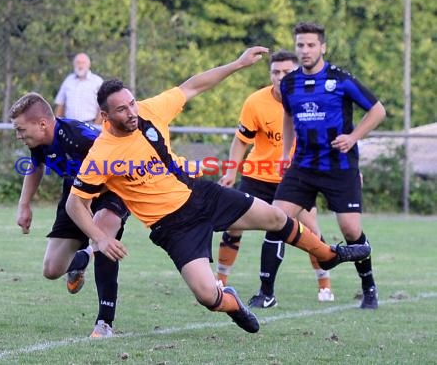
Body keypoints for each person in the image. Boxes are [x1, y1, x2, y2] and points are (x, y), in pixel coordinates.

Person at [65, 45, 371, 334]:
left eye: (131, 103)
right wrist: (100, 238)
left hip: (202, 196)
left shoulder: (149, 111)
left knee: (276, 218)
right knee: (207, 296)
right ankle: (232, 302)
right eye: (121, 109)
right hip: (173, 228)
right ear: (105, 116)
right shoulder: (102, 154)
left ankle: (327, 255)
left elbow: (193, 85)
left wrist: (237, 64)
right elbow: (74, 204)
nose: (131, 112)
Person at [275, 22, 387, 309]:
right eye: (300, 45)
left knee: (351, 231)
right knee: (276, 218)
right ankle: (267, 291)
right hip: (303, 165)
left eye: (311, 45)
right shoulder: (288, 83)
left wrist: (353, 137)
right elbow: (288, 117)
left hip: (340, 166)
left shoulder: (340, 79)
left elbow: (378, 110)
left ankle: (369, 287)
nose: (305, 50)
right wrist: (286, 153)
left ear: (322, 47)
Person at [216, 50, 335, 307]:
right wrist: (230, 171)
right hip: (257, 177)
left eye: (287, 72)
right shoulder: (255, 102)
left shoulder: (313, 102)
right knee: (233, 224)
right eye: (276, 72)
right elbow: (241, 141)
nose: (281, 77)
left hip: (294, 181)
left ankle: (324, 285)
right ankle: (220, 283)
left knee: (311, 231)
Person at [10, 92, 130, 337]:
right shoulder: (40, 143)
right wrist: (24, 204)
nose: (18, 135)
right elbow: (35, 166)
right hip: (75, 192)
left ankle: (104, 323)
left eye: (21, 130)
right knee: (52, 269)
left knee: (101, 237)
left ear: (42, 124)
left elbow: (119, 154)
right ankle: (81, 259)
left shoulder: (78, 137)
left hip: (113, 189)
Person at [54, 53, 104, 125]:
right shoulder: (68, 81)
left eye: (83, 63)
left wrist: (95, 127)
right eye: (78, 62)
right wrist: (57, 126)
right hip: (70, 126)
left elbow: (103, 106)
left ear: (89, 65)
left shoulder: (97, 82)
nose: (80, 65)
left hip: (90, 125)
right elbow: (60, 104)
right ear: (74, 64)